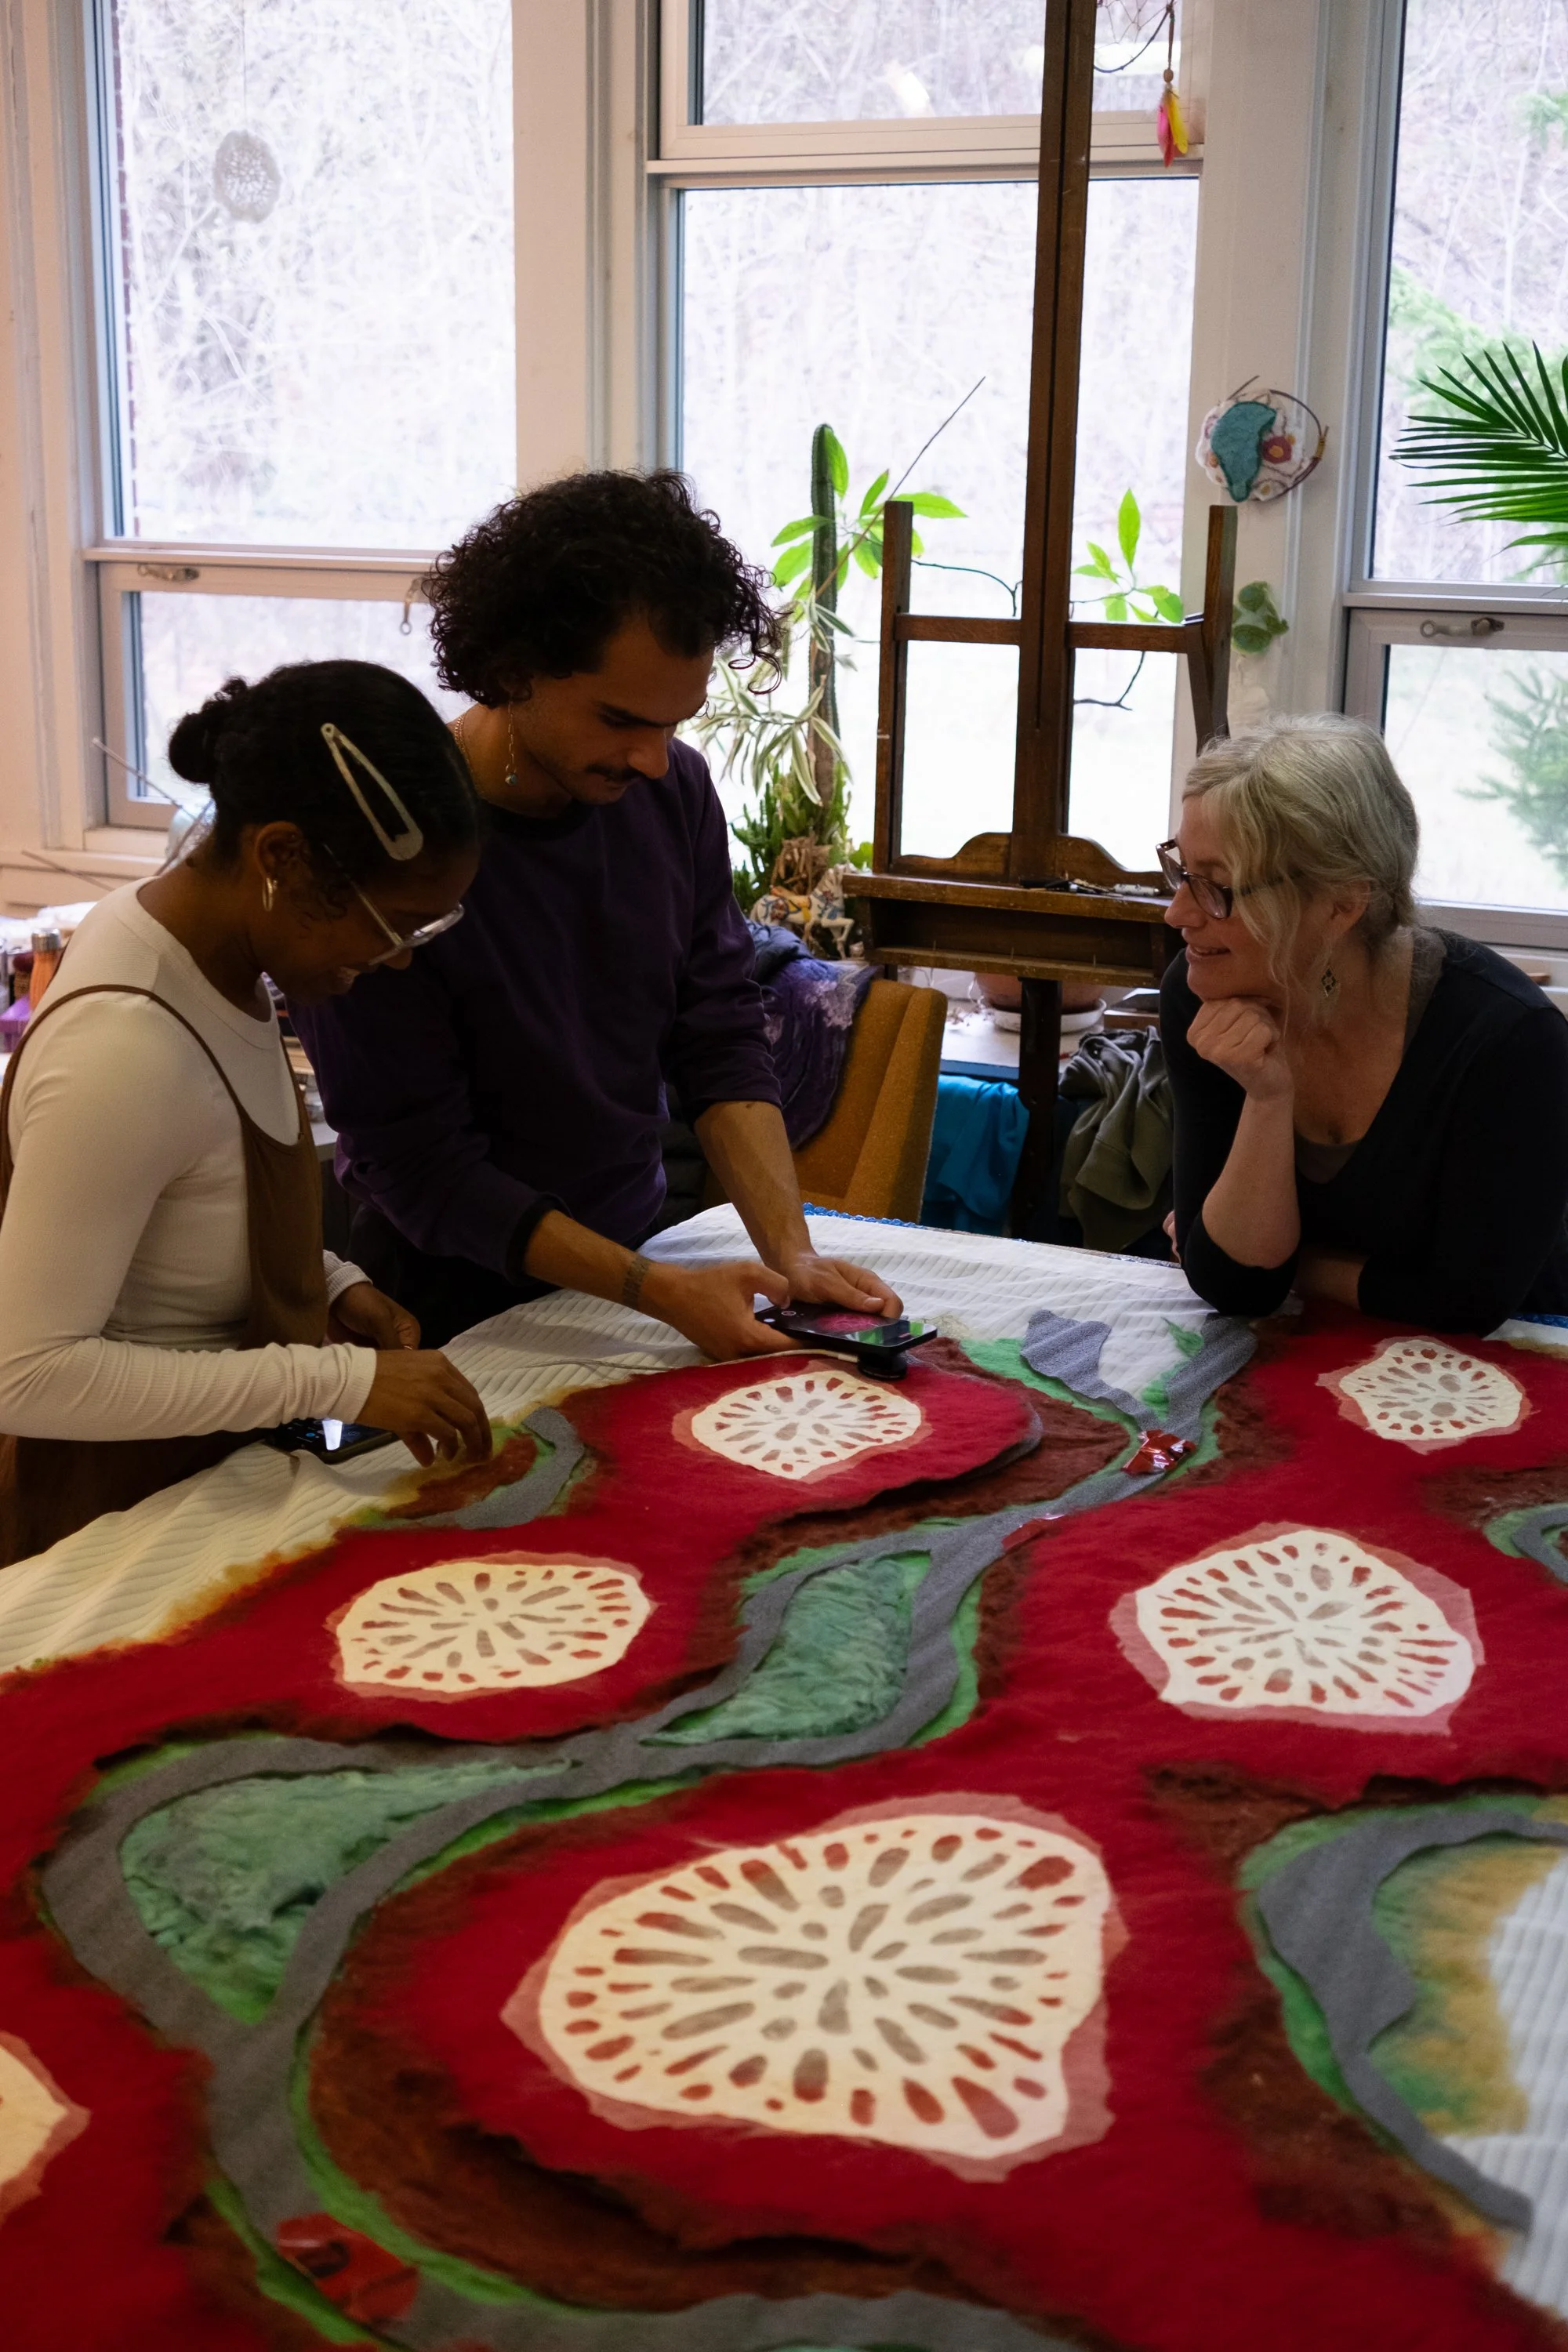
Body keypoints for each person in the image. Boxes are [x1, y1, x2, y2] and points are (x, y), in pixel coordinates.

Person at [293, 470, 901, 1353]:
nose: (652, 760)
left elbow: (718, 1033)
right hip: (450, 1303)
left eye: (675, 724)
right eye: (620, 719)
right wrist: (655, 1291)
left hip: (639, 1259)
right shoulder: (394, 846)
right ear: (513, 668)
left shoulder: (671, 794)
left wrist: (790, 1253)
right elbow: (421, 1167)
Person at [0, 661, 493, 1566]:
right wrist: (338, 1377)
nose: (397, 962)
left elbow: (188, 1213)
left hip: (208, 1490)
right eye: (392, 926)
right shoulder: (125, 1043)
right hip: (108, 1535)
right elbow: (27, 1376)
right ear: (280, 858)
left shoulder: (222, 965)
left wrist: (334, 1283)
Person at [1159, 712, 1568, 1333]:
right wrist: (1268, 1098)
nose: (1178, 913)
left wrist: (1289, 1264)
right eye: (1181, 872)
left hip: (1524, 1351)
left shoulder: (1509, 1041)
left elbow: (1466, 1304)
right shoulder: (1203, 997)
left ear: (1343, 905)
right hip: (1322, 1348)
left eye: (1217, 887)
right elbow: (1231, 1283)